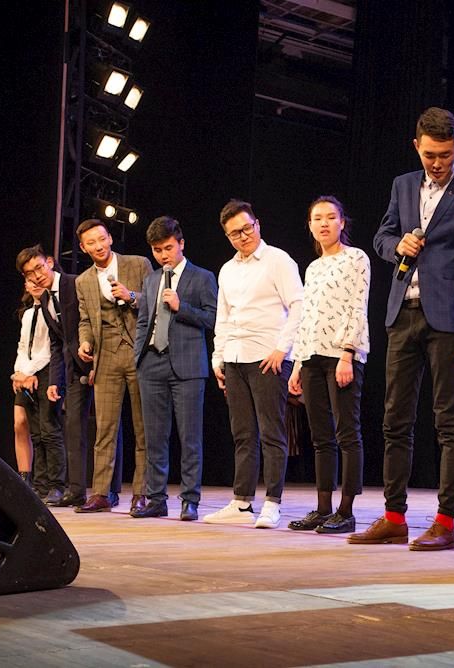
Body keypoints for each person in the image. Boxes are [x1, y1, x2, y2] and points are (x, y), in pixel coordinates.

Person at [350, 107, 454, 551]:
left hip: (449, 320)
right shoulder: (402, 185)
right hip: (402, 314)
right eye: (430, 155)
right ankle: (394, 518)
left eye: (445, 155)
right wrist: (398, 244)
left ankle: (445, 522)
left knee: (448, 421)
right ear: (416, 146)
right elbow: (381, 237)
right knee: (395, 419)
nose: (437, 163)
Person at [204, 199, 303, 529]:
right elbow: (223, 317)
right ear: (227, 236)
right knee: (243, 434)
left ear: (257, 224)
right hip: (235, 357)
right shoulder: (227, 270)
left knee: (272, 433)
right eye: (235, 233)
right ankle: (241, 501)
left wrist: (282, 349)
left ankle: (272, 502)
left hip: (267, 358)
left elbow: (299, 305)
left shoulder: (278, 260)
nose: (243, 236)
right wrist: (218, 357)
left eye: (247, 228)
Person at [287, 196, 370, 534]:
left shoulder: (356, 258)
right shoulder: (313, 268)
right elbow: (307, 317)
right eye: (317, 218)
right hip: (311, 357)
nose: (324, 223)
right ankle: (323, 508)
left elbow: (357, 307)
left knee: (346, 433)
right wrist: (296, 364)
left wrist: (348, 353)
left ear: (342, 222)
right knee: (321, 437)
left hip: (341, 355)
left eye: (330, 217)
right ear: (310, 226)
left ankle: (346, 511)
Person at [18, 244, 122, 508]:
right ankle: (75, 490)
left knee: (108, 427)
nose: (37, 276)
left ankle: (110, 489)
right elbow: (58, 342)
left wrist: (98, 358)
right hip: (74, 369)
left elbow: (97, 320)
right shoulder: (43, 300)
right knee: (73, 427)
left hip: (100, 361)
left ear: (50, 262)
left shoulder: (75, 283)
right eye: (30, 274)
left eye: (39, 268)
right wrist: (56, 381)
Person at [133, 216, 218, 521]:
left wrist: (183, 307)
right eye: (157, 250)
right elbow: (144, 321)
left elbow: (213, 319)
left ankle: (190, 500)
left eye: (168, 248)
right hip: (151, 364)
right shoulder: (151, 280)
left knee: (189, 437)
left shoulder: (202, 277)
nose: (163, 255)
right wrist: (138, 357)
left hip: (188, 365)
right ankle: (156, 498)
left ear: (181, 244)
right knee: (155, 437)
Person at [74, 219, 152, 514]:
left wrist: (131, 296)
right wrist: (85, 342)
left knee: (143, 428)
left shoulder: (138, 264)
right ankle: (101, 493)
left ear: (110, 238)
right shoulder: (83, 281)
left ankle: (141, 493)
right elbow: (85, 319)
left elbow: (155, 302)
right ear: (83, 248)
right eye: (90, 243)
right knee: (105, 428)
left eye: (101, 239)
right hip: (106, 357)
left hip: (138, 353)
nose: (98, 246)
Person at [10, 276, 66, 502]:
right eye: (29, 280)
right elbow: (23, 347)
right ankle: (39, 484)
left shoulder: (51, 309)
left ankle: (56, 484)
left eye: (37, 279)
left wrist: (29, 372)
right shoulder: (27, 314)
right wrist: (18, 373)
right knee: (36, 432)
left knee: (49, 429)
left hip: (46, 371)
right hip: (27, 374)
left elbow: (50, 348)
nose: (34, 284)